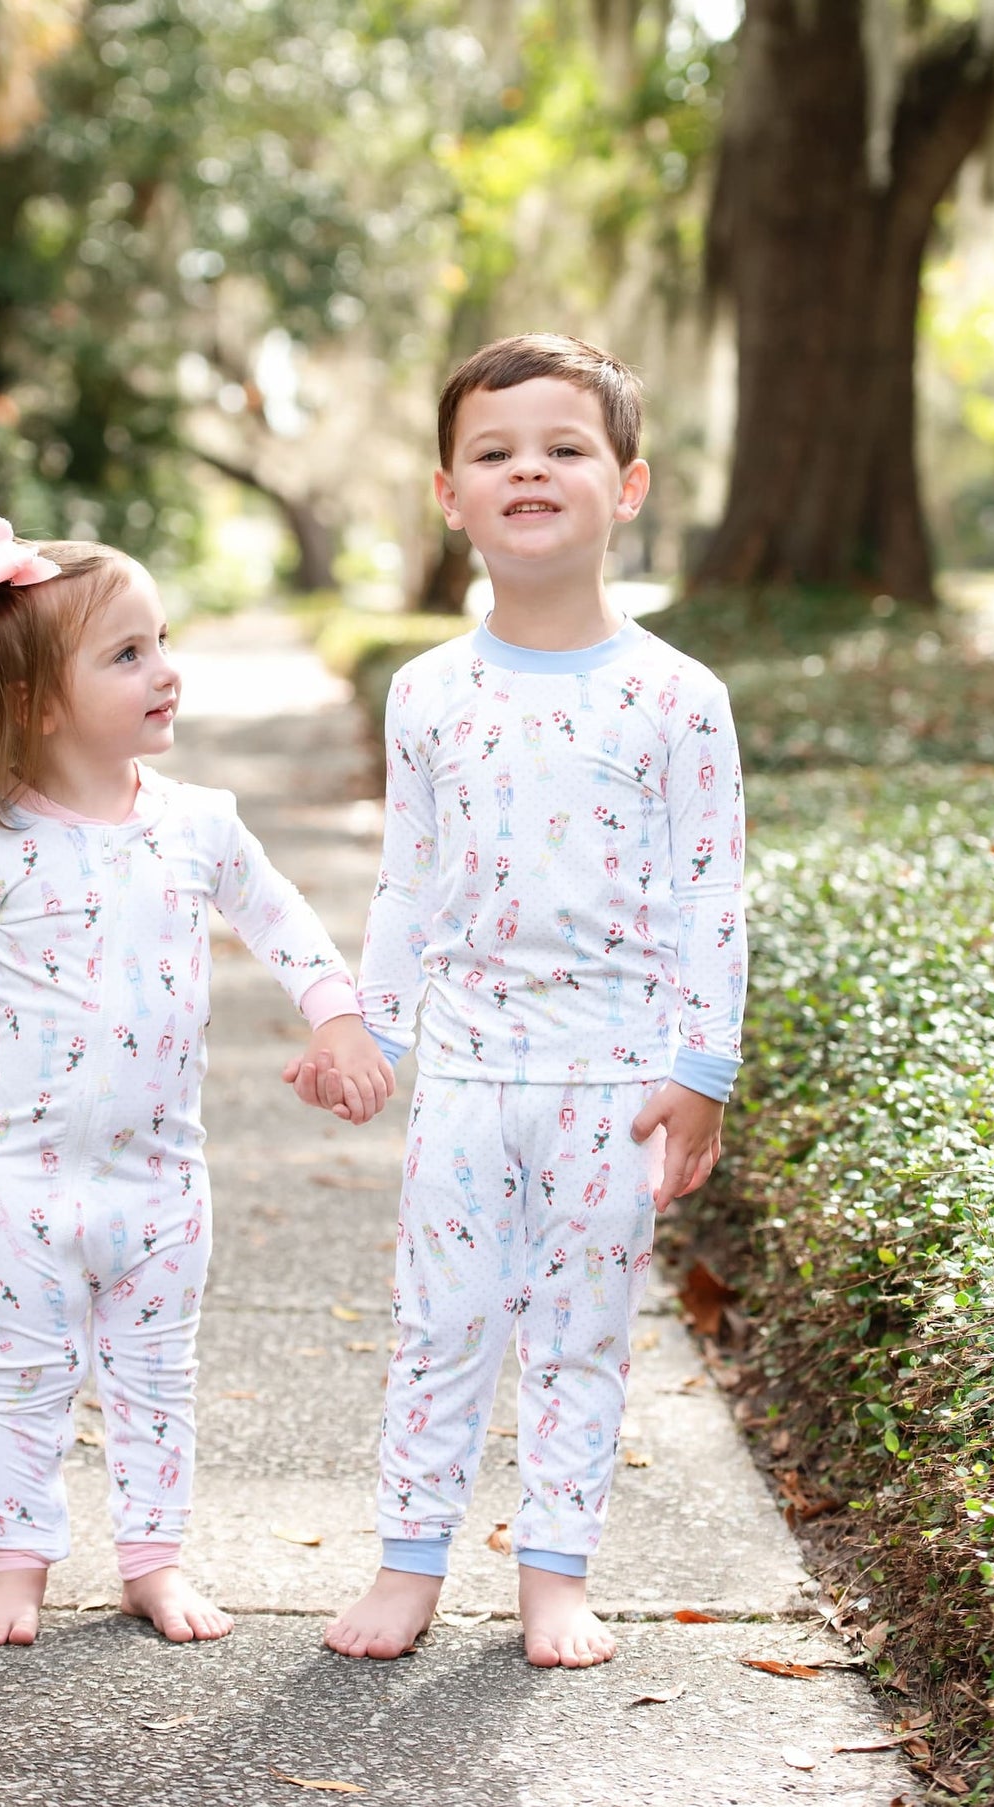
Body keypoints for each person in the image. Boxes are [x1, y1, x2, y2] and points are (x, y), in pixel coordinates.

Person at [294, 334, 747, 1667]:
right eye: (494, 451)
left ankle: (554, 1571)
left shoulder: (677, 696)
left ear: (630, 483)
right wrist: (370, 1026)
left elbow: (712, 893)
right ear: (448, 494)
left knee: (578, 1336)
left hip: (613, 1078)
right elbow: (409, 880)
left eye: (564, 446)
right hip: (470, 1075)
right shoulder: (428, 690)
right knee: (439, 1325)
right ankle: (408, 1561)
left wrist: (701, 1066)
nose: (529, 468)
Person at [0, 507, 393, 1648]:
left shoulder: (198, 826)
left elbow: (282, 920)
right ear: (32, 702)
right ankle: (15, 1564)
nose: (166, 671)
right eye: (127, 654)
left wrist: (336, 1016)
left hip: (163, 1177)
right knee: (22, 1378)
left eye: (163, 640)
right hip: (19, 1177)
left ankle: (152, 1560)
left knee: (155, 1376)